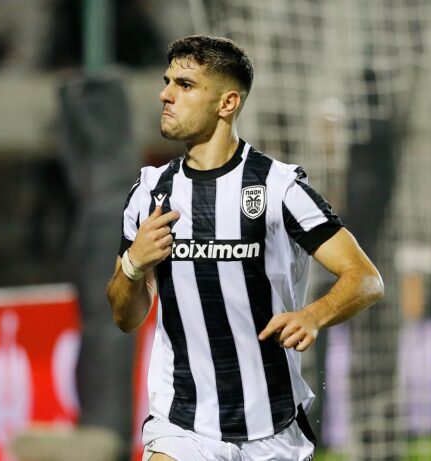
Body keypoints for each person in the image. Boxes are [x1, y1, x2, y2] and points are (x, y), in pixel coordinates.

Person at [106, 35, 384, 461]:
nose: (166, 94)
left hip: (273, 429)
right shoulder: (149, 193)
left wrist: (313, 315)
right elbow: (125, 318)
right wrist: (132, 265)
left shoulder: (279, 188)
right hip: (184, 425)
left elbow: (366, 278)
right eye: (167, 82)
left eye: (185, 85)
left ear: (227, 103)